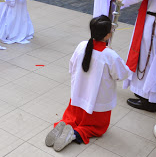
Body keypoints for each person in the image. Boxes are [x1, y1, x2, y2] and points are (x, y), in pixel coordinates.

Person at [45, 16, 130, 152]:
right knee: (97, 128)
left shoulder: (82, 45)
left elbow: (71, 66)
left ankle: (65, 124)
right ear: (108, 34)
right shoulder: (110, 55)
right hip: (96, 103)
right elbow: (122, 74)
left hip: (78, 97)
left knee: (72, 118)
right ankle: (75, 134)